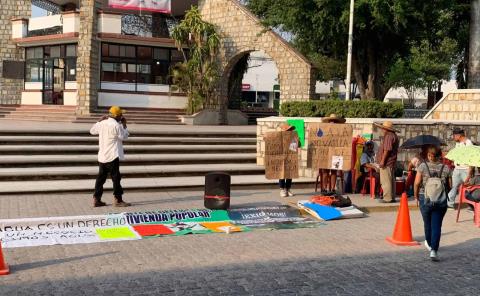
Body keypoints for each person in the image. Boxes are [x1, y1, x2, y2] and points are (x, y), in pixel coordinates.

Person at [414, 146, 452, 261]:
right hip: (440, 201)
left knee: (427, 224)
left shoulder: (422, 166)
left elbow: (416, 183)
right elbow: (450, 186)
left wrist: (416, 197)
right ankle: (434, 250)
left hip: (425, 198)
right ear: (439, 155)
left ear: (429, 155)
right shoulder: (446, 168)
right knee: (437, 225)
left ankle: (430, 244)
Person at [90, 106, 131, 207]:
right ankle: (118, 200)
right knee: (116, 178)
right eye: (121, 114)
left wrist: (99, 120)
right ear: (117, 116)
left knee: (100, 178)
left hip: (102, 155)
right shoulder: (116, 125)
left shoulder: (102, 123)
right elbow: (124, 137)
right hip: (112, 155)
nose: (122, 116)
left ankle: (97, 199)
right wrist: (124, 125)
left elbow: (92, 131)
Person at [320, 114, 346, 193]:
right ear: (328, 122)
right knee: (325, 171)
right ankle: (324, 189)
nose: (333, 123)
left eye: (335, 121)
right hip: (326, 153)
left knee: (334, 171)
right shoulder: (324, 130)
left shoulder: (341, 132)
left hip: (336, 153)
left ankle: (333, 189)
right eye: (331, 121)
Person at [447, 128, 473, 208]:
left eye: (454, 135)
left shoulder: (468, 143)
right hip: (457, 168)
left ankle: (472, 205)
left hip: (466, 169)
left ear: (459, 135)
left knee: (468, 188)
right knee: (454, 187)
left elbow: (472, 159)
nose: (453, 137)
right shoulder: (457, 143)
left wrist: (469, 173)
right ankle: (450, 204)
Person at [374, 121, 399, 203]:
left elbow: (387, 150)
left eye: (383, 128)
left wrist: (382, 161)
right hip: (391, 162)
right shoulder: (394, 136)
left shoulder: (388, 136)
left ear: (386, 129)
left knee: (386, 181)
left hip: (387, 162)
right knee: (390, 180)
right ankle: (392, 197)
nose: (382, 130)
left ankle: (387, 198)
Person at [278, 123, 299, 197]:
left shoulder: (293, 137)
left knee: (290, 173)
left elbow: (297, 146)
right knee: (282, 172)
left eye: (291, 129)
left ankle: (288, 189)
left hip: (290, 156)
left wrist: (297, 140)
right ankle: (282, 189)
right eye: (288, 130)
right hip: (281, 157)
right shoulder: (279, 137)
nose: (290, 131)